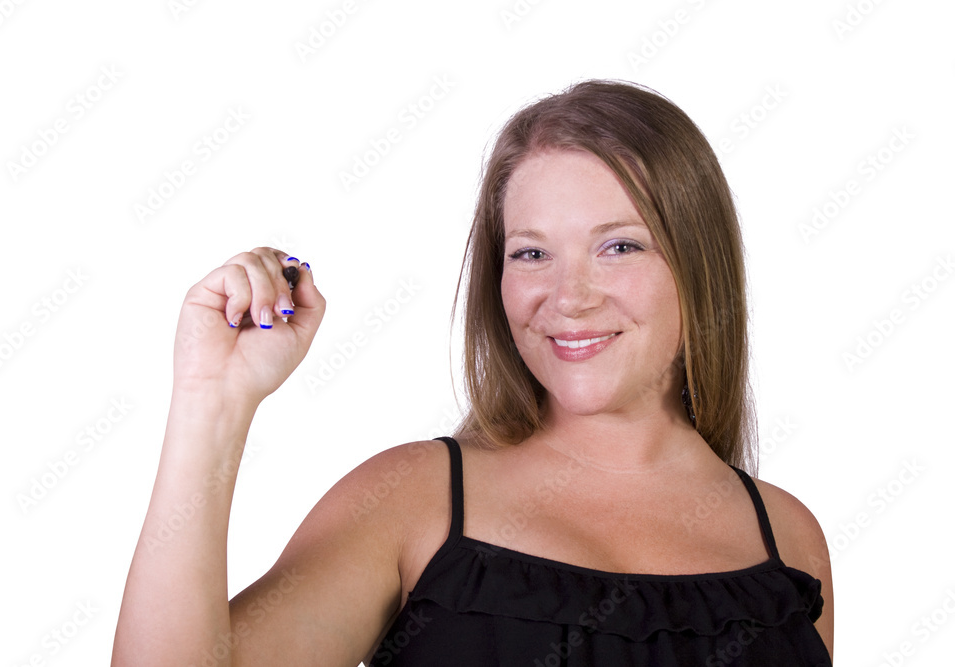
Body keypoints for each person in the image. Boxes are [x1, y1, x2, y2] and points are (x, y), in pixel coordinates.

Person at [112, 79, 833, 666]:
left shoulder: (789, 539)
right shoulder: (410, 501)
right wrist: (211, 402)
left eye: (618, 246)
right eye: (530, 254)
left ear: (699, 267)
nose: (569, 297)